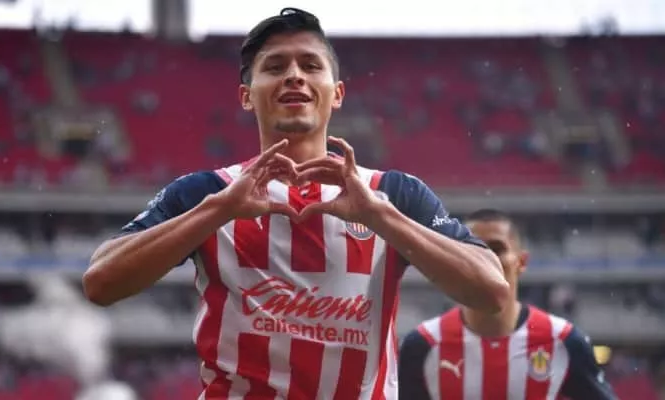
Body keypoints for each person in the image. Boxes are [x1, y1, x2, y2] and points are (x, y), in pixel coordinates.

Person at [82, 8, 509, 399]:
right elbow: (101, 282)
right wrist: (218, 211)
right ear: (247, 96)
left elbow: (491, 290)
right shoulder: (207, 192)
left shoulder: (392, 193)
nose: (294, 76)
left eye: (310, 65)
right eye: (275, 67)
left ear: (336, 93)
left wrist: (378, 215)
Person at [398, 209, 618, 400]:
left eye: (496, 248)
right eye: (471, 247)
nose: (484, 258)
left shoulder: (563, 341)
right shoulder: (422, 345)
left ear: (521, 262)